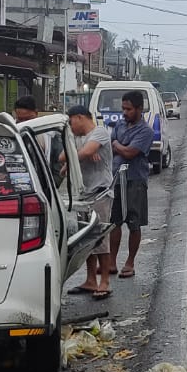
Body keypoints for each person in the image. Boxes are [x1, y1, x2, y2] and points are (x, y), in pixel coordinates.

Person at [65, 105, 115, 299]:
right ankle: (90, 280)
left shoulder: (100, 132)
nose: (70, 126)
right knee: (87, 239)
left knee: (100, 237)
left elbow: (86, 152)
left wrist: (78, 156)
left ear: (79, 117)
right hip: (84, 194)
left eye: (71, 122)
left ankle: (104, 281)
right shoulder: (77, 138)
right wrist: (78, 155)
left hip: (100, 192)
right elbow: (64, 156)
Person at [108, 90, 154, 279]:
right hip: (116, 179)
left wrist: (119, 146)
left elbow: (129, 152)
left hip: (135, 180)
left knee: (134, 222)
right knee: (114, 221)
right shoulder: (119, 124)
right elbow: (112, 143)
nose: (125, 113)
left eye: (128, 109)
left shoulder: (146, 131)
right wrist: (120, 146)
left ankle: (130, 262)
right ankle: (111, 261)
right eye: (123, 109)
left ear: (139, 109)